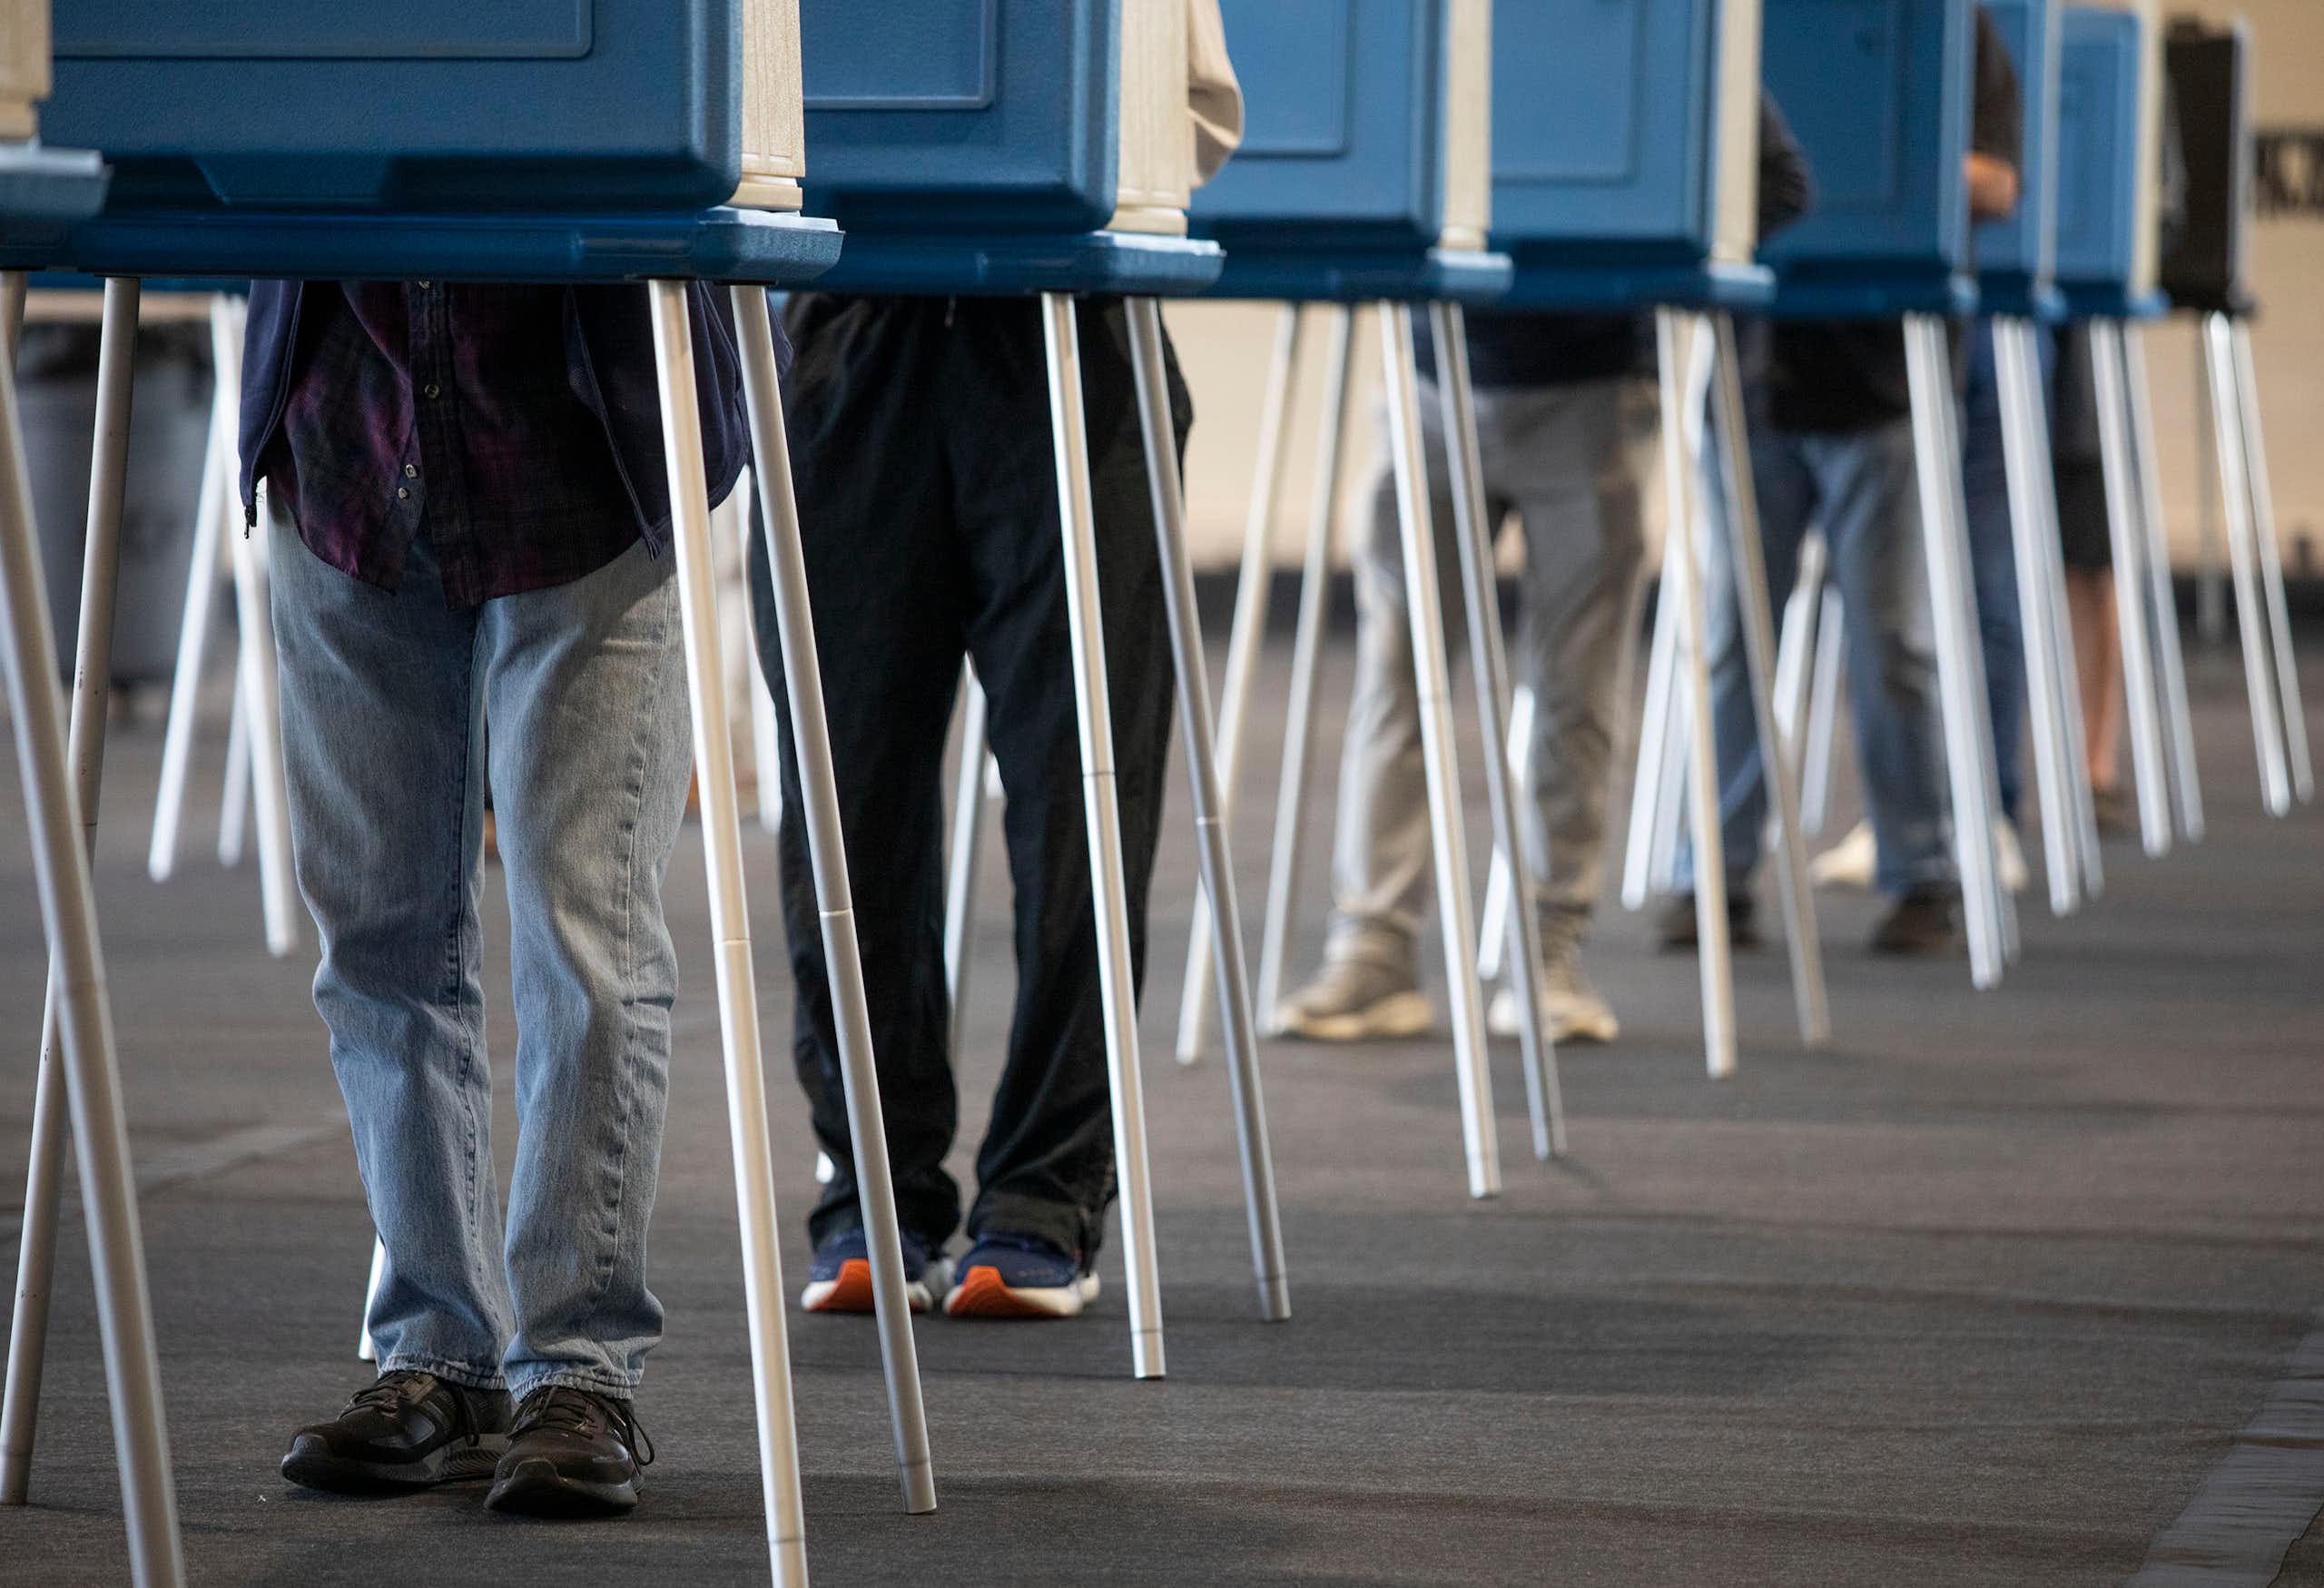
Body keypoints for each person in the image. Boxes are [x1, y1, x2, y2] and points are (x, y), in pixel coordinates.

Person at [754, 2, 1241, 1322]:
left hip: (1069, 324)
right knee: (843, 798)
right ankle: (873, 1183)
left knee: (1084, 795)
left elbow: (1199, 118)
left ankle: (1044, 1194)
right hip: (856, 324)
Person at [255, 278, 750, 1513]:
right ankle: (435, 1352)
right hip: (345, 430)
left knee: (586, 937)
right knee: (375, 942)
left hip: (591, 430)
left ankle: (577, 1368)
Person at [1275, 97, 1811, 1048]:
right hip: (1431, 382)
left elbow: (1778, 184)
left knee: (1573, 691)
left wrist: (1650, 239)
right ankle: (1373, 957)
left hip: (1596, 391)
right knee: (1395, 680)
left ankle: (1544, 956)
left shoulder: (1656, 26)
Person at [1667, 9, 2022, 956]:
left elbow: (1997, 182)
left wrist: (1880, 165)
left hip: (1881, 378)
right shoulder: (1734, 17)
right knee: (1736, 634)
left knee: (1892, 642)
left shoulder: (1944, 25)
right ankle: (1712, 877)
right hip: (1751, 372)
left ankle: (1923, 871)